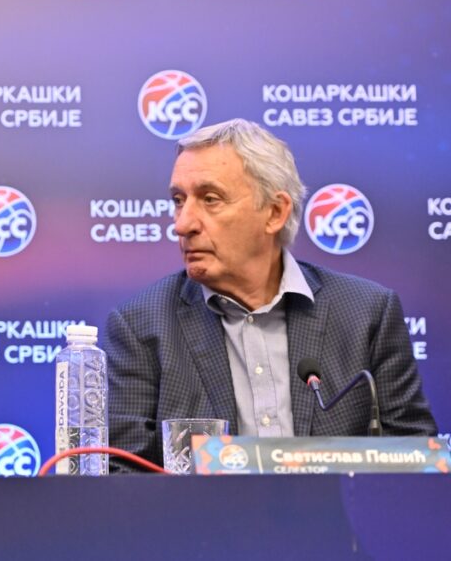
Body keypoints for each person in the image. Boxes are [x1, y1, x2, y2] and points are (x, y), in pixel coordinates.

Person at [104, 118, 436, 468]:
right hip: (201, 523)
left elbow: (416, 466)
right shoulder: (141, 327)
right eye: (178, 200)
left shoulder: (366, 313)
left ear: (275, 212)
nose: (183, 224)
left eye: (210, 199)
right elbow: (123, 480)